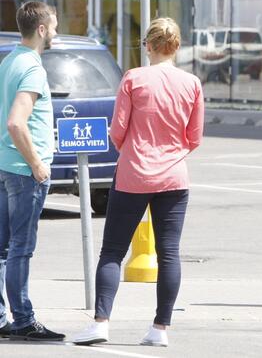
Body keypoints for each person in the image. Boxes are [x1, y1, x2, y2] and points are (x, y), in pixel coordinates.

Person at [72, 18, 204, 347]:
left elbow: (117, 130)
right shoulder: (191, 84)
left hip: (133, 174)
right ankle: (160, 328)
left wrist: (133, 149)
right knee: (169, 253)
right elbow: (195, 137)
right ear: (176, 46)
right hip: (174, 176)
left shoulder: (134, 78)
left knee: (113, 251)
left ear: (148, 45)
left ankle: (101, 322)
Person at [0, 1, 65, 341]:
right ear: (41, 30)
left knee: (2, 250)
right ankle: (23, 320)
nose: (55, 32)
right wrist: (36, 163)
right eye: (53, 27)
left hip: (4, 166)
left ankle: (1, 319)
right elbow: (15, 122)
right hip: (24, 172)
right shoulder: (32, 68)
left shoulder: (8, 61)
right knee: (20, 249)